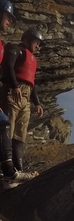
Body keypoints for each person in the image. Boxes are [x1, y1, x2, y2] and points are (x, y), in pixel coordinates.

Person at [0, 26, 43, 188]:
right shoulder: (16, 50)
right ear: (28, 39)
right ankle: (5, 171)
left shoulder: (32, 58)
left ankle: (18, 170)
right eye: (36, 42)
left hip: (26, 96)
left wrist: (37, 103)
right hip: (13, 92)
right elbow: (8, 66)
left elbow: (32, 82)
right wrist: (15, 85)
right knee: (7, 130)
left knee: (19, 135)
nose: (38, 46)